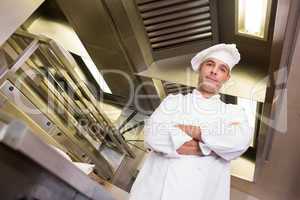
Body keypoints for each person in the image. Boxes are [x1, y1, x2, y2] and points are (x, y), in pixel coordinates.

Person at [129, 43, 252, 200]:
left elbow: (239, 142)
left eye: (222, 69)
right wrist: (213, 148)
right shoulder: (173, 101)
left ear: (226, 78)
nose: (214, 71)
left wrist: (190, 131)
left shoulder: (234, 112)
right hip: (152, 193)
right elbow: (152, 136)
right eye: (210, 64)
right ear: (200, 68)